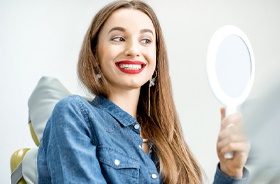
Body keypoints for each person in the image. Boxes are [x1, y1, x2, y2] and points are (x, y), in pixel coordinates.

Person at [37, 0, 250, 183]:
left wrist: (230, 171)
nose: (133, 49)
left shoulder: (167, 142)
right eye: (118, 38)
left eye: (146, 40)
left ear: (156, 58)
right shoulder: (74, 113)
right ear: (94, 53)